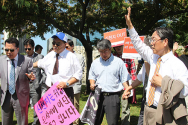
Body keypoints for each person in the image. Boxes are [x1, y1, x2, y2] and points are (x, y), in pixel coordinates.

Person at [123, 7, 188, 125]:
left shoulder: (177, 64)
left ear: (165, 42)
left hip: (165, 113)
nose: (151, 43)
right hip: (148, 110)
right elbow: (138, 43)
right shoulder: (153, 58)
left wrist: (163, 83)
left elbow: (184, 92)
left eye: (154, 40)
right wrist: (130, 25)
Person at [33, 32, 82, 125]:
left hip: (65, 92)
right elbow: (40, 63)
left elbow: (78, 74)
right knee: (49, 121)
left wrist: (66, 83)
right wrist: (28, 66)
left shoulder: (71, 57)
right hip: (50, 92)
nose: (55, 45)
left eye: (58, 44)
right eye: (53, 43)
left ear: (65, 44)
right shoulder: (51, 55)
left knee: (65, 122)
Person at [89, 39, 131, 125]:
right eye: (101, 52)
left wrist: (127, 90)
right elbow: (92, 76)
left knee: (112, 122)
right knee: (94, 121)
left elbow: (124, 78)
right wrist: (92, 83)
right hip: (98, 96)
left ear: (110, 49)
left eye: (105, 51)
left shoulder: (118, 62)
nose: (103, 54)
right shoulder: (95, 63)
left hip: (113, 96)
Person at [0, 38, 36, 125]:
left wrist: (31, 77)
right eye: (6, 50)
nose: (8, 52)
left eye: (11, 50)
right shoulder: (1, 60)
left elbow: (32, 75)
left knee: (22, 122)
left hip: (20, 96)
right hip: (5, 96)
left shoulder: (26, 60)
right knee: (5, 122)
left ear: (17, 49)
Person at [113, 44, 137, 125]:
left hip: (125, 87)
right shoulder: (111, 57)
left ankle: (125, 123)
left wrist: (132, 86)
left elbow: (133, 72)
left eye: (120, 46)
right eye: (116, 46)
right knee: (114, 107)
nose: (118, 48)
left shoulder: (128, 56)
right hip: (114, 87)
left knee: (125, 107)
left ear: (123, 46)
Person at [24, 39, 44, 125]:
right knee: (24, 107)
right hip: (25, 86)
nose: (27, 51)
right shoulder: (23, 58)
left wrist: (40, 82)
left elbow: (45, 72)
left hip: (36, 86)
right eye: (26, 49)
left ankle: (36, 123)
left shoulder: (40, 57)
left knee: (37, 107)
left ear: (33, 47)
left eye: (29, 49)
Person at [66, 39, 85, 125]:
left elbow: (79, 71)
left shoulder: (79, 57)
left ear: (72, 46)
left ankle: (75, 122)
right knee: (65, 106)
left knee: (75, 105)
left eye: (67, 47)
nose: (66, 49)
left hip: (75, 85)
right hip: (64, 86)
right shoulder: (62, 57)